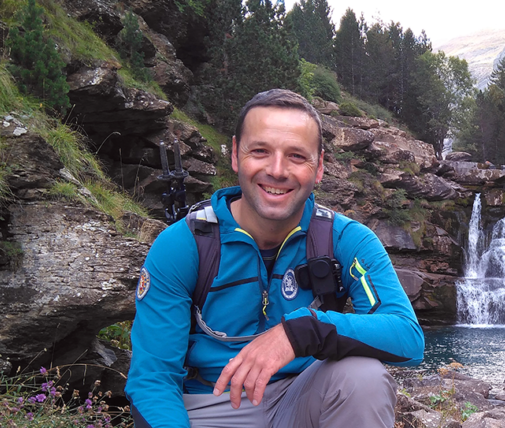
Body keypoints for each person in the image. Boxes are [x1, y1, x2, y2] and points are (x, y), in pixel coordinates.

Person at [125, 89, 425, 428]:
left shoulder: (345, 239)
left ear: (319, 167)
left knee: (363, 377)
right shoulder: (185, 245)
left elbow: (406, 336)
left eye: (296, 156)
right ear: (235, 155)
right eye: (260, 151)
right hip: (209, 405)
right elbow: (153, 378)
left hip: (302, 399)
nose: (277, 170)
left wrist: (302, 331)